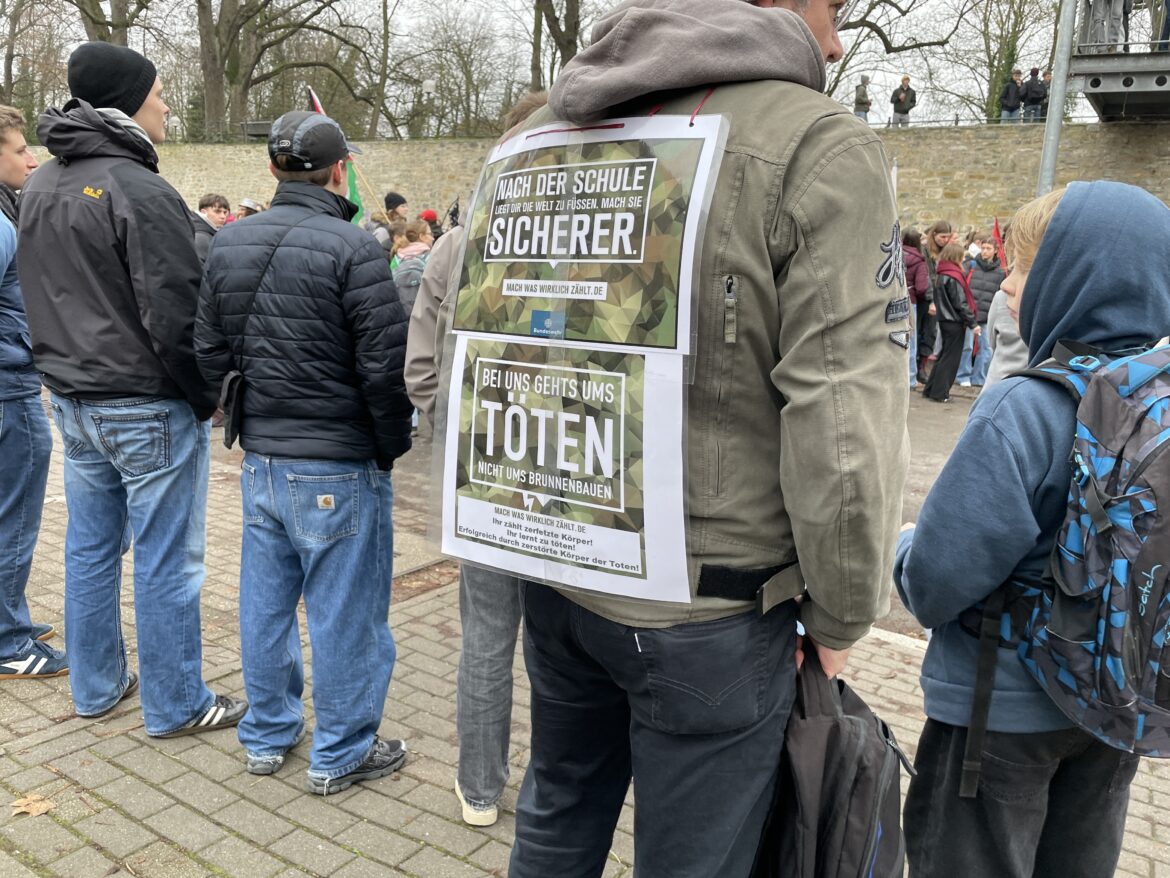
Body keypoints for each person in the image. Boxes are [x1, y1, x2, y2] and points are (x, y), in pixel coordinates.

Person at [500, 0, 910, 874]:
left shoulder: (535, 131)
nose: (833, 41)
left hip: (556, 567)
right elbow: (845, 425)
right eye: (827, 8)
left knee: (557, 811)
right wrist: (842, 610)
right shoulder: (813, 143)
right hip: (706, 613)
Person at [896, 180, 1168, 877]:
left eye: (1023, 267)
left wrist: (903, 543)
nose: (1008, 287)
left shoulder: (1028, 406)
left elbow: (935, 583)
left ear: (1074, 278)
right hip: (1114, 709)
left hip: (1003, 713)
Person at [18, 41, 243, 734]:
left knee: (89, 548)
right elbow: (174, 312)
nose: (169, 103)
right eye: (158, 93)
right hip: (142, 403)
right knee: (166, 559)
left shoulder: (44, 184)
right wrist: (205, 395)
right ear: (126, 103)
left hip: (75, 400)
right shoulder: (138, 189)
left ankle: (95, 685)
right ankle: (176, 703)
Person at [196, 110, 413, 795]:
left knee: (265, 603)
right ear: (340, 170)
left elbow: (206, 350)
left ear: (271, 171)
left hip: (262, 459)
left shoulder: (228, 244)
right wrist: (387, 447)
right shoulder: (354, 248)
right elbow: (386, 366)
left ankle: (266, 733)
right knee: (344, 611)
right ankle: (342, 749)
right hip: (336, 460)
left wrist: (242, 414)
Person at [405, 88, 544, 828]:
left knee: (489, 636)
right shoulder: (591, 239)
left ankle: (479, 787)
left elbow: (419, 367)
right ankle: (552, 789)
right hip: (568, 469)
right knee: (559, 644)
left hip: (485, 462)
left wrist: (456, 424)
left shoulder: (458, 242)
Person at [0, 104, 66, 681]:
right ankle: (7, 641)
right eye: (20, 149)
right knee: (13, 518)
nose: (32, 157)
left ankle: (8, 617)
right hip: (8, 394)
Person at [922, 242, 978, 402]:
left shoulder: (942, 273)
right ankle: (940, 393)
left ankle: (932, 389)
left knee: (943, 356)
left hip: (945, 320)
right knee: (950, 359)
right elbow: (960, 302)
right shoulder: (953, 275)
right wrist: (973, 323)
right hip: (954, 321)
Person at [957, 236, 1005, 387]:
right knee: (967, 347)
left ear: (996, 251)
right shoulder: (970, 265)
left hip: (987, 315)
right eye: (983, 248)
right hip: (969, 314)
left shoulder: (1000, 272)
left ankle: (979, 377)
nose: (984, 251)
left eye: (988, 249)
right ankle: (963, 375)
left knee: (986, 349)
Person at [980, 288, 1028, 389]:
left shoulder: (1002, 296)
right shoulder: (1050, 297)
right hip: (1028, 382)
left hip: (997, 379)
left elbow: (991, 339)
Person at [903, 228, 930, 390]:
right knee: (911, 341)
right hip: (910, 301)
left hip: (891, 301)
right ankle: (911, 379)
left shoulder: (893, 255)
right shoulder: (919, 261)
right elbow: (921, 287)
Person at [391, 220, 433, 314]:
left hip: (402, 313)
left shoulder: (396, 257)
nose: (432, 238)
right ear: (421, 236)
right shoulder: (431, 257)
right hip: (425, 313)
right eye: (430, 234)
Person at [192, 193, 230, 264]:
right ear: (203, 212)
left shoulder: (211, 232)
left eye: (225, 212)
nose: (223, 216)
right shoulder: (200, 237)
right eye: (217, 211)